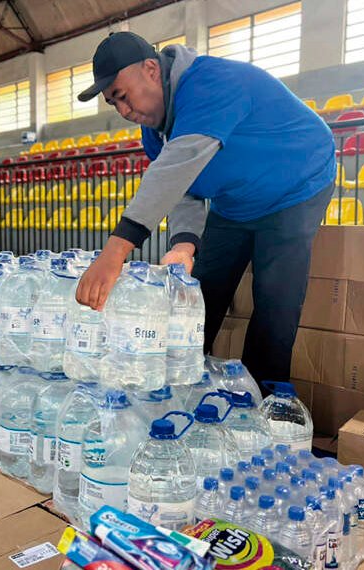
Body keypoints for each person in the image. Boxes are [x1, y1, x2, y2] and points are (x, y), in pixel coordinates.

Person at [74, 32, 335, 383]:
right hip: (235, 202)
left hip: (295, 186)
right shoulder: (156, 131)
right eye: (113, 104)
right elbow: (183, 189)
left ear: (151, 69)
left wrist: (115, 251)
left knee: (275, 301)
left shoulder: (210, 83)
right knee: (199, 293)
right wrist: (184, 244)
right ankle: (181, 384)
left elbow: (175, 166)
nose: (123, 111)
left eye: (122, 96)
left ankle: (262, 406)